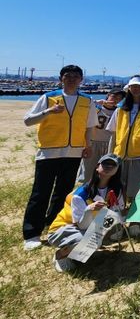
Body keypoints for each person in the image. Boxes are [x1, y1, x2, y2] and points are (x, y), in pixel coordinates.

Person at [22, 65, 99, 251]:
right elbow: (28, 121)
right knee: (40, 193)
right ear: (61, 78)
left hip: (73, 153)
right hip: (48, 153)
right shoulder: (48, 97)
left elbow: (89, 126)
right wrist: (48, 112)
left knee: (63, 192)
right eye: (68, 76)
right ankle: (31, 233)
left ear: (81, 80)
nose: (71, 79)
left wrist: (87, 145)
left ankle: (54, 225)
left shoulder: (87, 100)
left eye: (75, 76)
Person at [47, 154, 125, 272]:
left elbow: (119, 211)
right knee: (93, 240)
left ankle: (81, 251)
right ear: (97, 167)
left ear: (117, 170)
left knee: (112, 231)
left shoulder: (117, 190)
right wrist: (89, 209)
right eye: (105, 163)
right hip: (63, 229)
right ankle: (61, 255)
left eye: (113, 165)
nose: (108, 167)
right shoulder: (81, 194)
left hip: (89, 226)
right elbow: (82, 225)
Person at [106, 76, 140, 203]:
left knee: (138, 188)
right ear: (128, 88)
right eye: (133, 86)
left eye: (139, 87)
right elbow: (114, 132)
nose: (136, 89)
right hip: (119, 155)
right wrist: (109, 154)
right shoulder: (121, 107)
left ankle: (134, 212)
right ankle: (120, 210)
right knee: (118, 187)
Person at [77, 88, 125, 183]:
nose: (115, 100)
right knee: (87, 171)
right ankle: (84, 188)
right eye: (114, 96)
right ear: (108, 95)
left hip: (110, 144)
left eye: (119, 98)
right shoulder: (96, 108)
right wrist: (97, 102)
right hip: (94, 142)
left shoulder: (120, 111)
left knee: (107, 172)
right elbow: (82, 106)